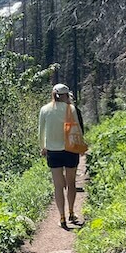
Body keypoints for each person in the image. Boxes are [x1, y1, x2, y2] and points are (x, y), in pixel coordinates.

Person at [38, 83, 85, 229]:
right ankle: (71, 212)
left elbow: (41, 132)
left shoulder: (45, 110)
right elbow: (77, 129)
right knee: (71, 183)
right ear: (66, 95)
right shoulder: (71, 109)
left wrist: (42, 147)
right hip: (70, 149)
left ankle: (62, 217)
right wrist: (81, 145)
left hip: (52, 151)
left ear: (53, 94)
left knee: (58, 186)